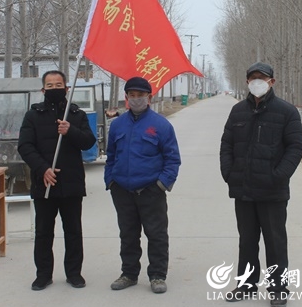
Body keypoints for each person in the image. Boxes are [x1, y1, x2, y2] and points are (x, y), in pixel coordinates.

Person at [219, 62, 302, 307]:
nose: (257, 81)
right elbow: (227, 144)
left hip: (272, 191)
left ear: (272, 82)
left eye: (262, 78)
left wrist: (279, 175)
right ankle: (246, 285)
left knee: (275, 241)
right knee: (247, 240)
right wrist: (229, 173)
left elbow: (296, 147)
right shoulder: (237, 112)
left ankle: (278, 288)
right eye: (253, 78)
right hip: (243, 189)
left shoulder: (286, 112)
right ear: (247, 82)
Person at [18, 70, 96, 291]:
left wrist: (70, 130)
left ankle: (74, 273)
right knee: (43, 232)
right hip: (45, 183)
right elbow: (25, 146)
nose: (54, 89)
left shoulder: (76, 115)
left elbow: (88, 142)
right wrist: (43, 169)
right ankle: (43, 274)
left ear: (67, 88)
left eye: (58, 84)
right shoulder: (33, 115)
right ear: (43, 90)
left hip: (71, 183)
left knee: (73, 231)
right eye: (50, 86)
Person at [104, 77, 181, 294]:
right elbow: (110, 156)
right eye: (132, 95)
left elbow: (172, 159)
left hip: (150, 190)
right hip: (122, 190)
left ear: (150, 97)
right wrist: (110, 181)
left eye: (141, 95)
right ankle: (129, 273)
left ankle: (157, 275)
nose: (136, 99)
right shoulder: (117, 124)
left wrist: (161, 185)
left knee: (156, 234)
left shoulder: (161, 125)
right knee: (128, 234)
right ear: (126, 97)